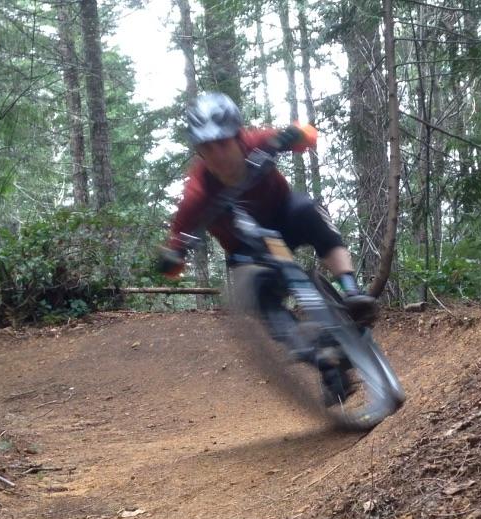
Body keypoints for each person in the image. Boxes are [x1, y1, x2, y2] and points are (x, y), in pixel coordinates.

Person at [157, 92, 378, 404]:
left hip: (284, 217)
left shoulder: (258, 142)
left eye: (222, 143)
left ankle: (352, 292)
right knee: (255, 294)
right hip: (246, 251)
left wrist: (297, 133)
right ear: (198, 150)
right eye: (207, 148)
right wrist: (172, 259)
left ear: (237, 137)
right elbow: (177, 244)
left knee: (309, 209)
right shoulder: (197, 192)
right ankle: (323, 359)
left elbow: (308, 137)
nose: (217, 154)